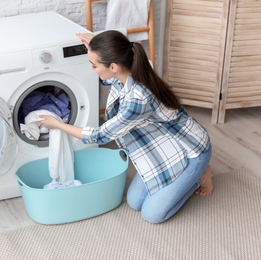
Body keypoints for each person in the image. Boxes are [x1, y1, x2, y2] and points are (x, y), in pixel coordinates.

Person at [39, 30, 213, 224]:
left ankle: (201, 174)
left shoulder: (137, 101)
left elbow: (98, 136)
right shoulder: (133, 68)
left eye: (94, 64)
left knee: (152, 215)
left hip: (190, 150)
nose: (92, 68)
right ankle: (189, 176)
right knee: (134, 202)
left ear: (113, 66)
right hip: (159, 148)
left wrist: (58, 125)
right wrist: (95, 49)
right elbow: (108, 77)